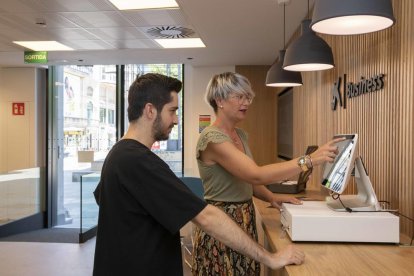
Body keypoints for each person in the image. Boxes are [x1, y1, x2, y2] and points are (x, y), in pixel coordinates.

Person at [92, 73, 305, 276]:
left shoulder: (119, 154)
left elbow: (108, 202)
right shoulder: (137, 161)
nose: (176, 120)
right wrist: (270, 258)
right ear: (150, 110)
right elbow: (205, 216)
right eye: (172, 111)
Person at [192, 72, 342, 275]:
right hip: (222, 223)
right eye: (239, 97)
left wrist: (271, 197)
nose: (246, 102)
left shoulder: (240, 134)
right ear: (219, 100)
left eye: (248, 97)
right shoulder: (212, 139)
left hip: (244, 218)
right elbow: (256, 175)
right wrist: (309, 160)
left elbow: (247, 180)